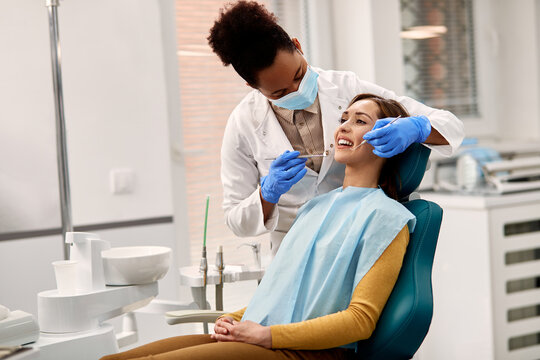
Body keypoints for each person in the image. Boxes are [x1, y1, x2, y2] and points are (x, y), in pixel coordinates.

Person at [100, 94, 417, 360]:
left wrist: (267, 335)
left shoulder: (386, 218)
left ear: (388, 141)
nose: (343, 127)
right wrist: (234, 320)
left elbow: (360, 321)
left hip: (306, 352)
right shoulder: (317, 207)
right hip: (266, 337)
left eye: (360, 121)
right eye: (343, 118)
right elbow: (283, 294)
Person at [209, 1, 463, 254]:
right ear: (253, 87)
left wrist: (416, 127)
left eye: (298, 75)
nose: (297, 90)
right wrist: (267, 193)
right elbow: (235, 218)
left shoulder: (347, 88)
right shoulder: (243, 123)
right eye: (280, 92)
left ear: (298, 46)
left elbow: (450, 125)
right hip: (294, 252)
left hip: (357, 236)